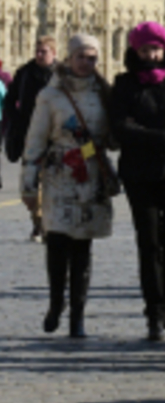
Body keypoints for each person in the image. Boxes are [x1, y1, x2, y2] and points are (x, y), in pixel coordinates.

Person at [21, 33, 115, 339]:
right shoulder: (51, 95)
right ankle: (56, 302)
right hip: (60, 173)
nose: (86, 63)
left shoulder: (104, 93)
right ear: (69, 58)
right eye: (81, 57)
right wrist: (28, 179)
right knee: (58, 244)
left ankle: (78, 314)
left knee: (83, 248)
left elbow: (112, 138)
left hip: (90, 174)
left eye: (92, 58)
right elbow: (36, 138)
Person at [111, 22, 165, 342]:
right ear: (135, 51)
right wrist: (160, 139)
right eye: (144, 50)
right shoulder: (125, 84)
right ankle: (154, 311)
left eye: (155, 48)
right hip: (140, 173)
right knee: (149, 241)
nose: (151, 55)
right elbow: (120, 127)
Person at [5, 35, 58, 242]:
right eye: (37, 50)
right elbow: (10, 100)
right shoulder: (25, 73)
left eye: (43, 51)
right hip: (29, 136)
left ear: (53, 53)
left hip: (55, 137)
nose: (38, 54)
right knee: (30, 185)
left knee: (52, 182)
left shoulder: (62, 75)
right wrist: (18, 123)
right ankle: (38, 221)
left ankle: (47, 225)